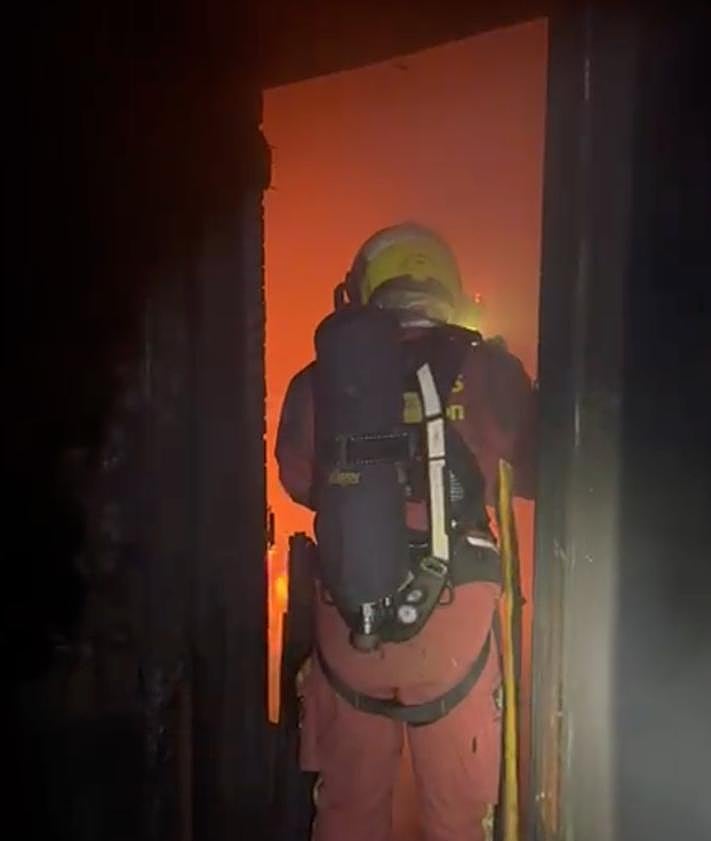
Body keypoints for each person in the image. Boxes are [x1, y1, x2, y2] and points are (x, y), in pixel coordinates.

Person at [276, 223, 535, 841]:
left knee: (347, 813)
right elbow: (539, 465)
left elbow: (297, 479)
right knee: (458, 820)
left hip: (350, 620)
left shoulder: (321, 379)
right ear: (446, 286)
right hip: (454, 632)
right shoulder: (486, 368)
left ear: (363, 288)